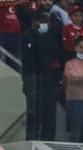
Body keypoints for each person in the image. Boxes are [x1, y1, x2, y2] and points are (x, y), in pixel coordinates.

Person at [20, 5, 62, 141]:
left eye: (45, 22)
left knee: (49, 114)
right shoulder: (27, 37)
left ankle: (49, 141)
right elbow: (26, 62)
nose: (43, 24)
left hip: (49, 82)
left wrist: (56, 77)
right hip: (33, 81)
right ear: (33, 22)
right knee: (33, 114)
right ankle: (31, 140)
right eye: (40, 21)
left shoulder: (52, 38)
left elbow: (59, 58)